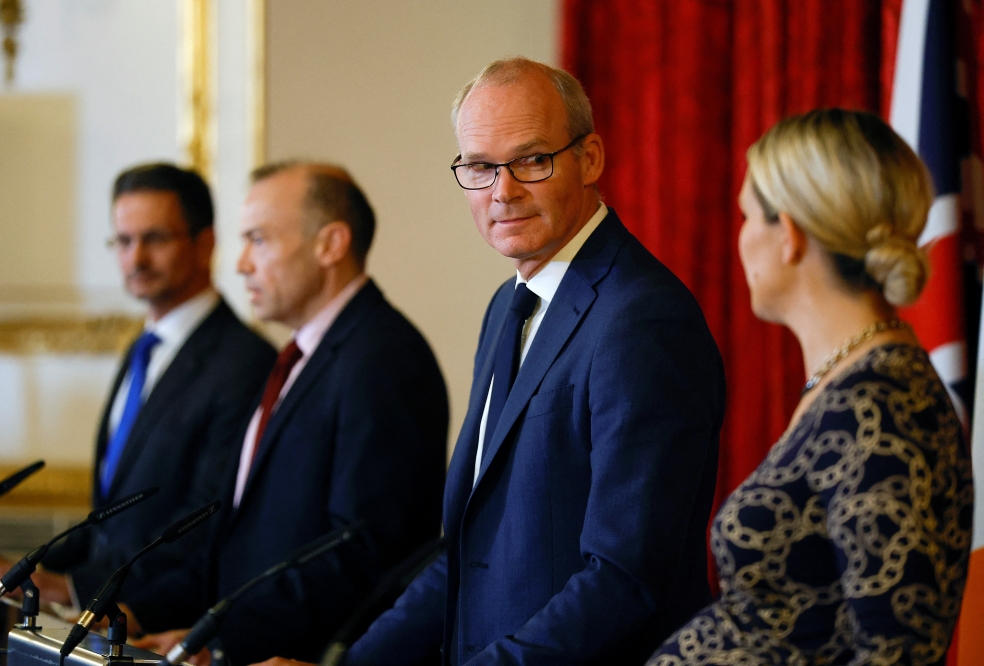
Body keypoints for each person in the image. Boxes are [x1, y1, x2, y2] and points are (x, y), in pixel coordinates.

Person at [309, 57, 725, 666]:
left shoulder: (642, 320)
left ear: (590, 159)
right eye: (480, 166)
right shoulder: (508, 304)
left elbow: (624, 577)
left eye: (532, 159)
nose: (503, 191)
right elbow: (464, 556)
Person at [648, 109, 973, 665]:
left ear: (789, 236)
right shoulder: (851, 382)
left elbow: (897, 652)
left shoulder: (880, 406)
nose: (742, 236)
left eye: (749, 216)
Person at [133, 162, 449, 665]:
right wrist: (181, 627)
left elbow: (362, 554)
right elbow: (243, 539)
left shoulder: (384, 359)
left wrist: (222, 641)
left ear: (330, 244)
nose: (240, 264)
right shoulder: (300, 357)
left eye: (258, 239)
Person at [0, 163, 276, 617]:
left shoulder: (244, 361)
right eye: (123, 240)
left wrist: (76, 588)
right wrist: (27, 570)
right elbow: (110, 516)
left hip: (162, 620)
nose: (135, 258)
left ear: (206, 243)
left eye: (155, 239)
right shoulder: (143, 349)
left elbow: (201, 522)